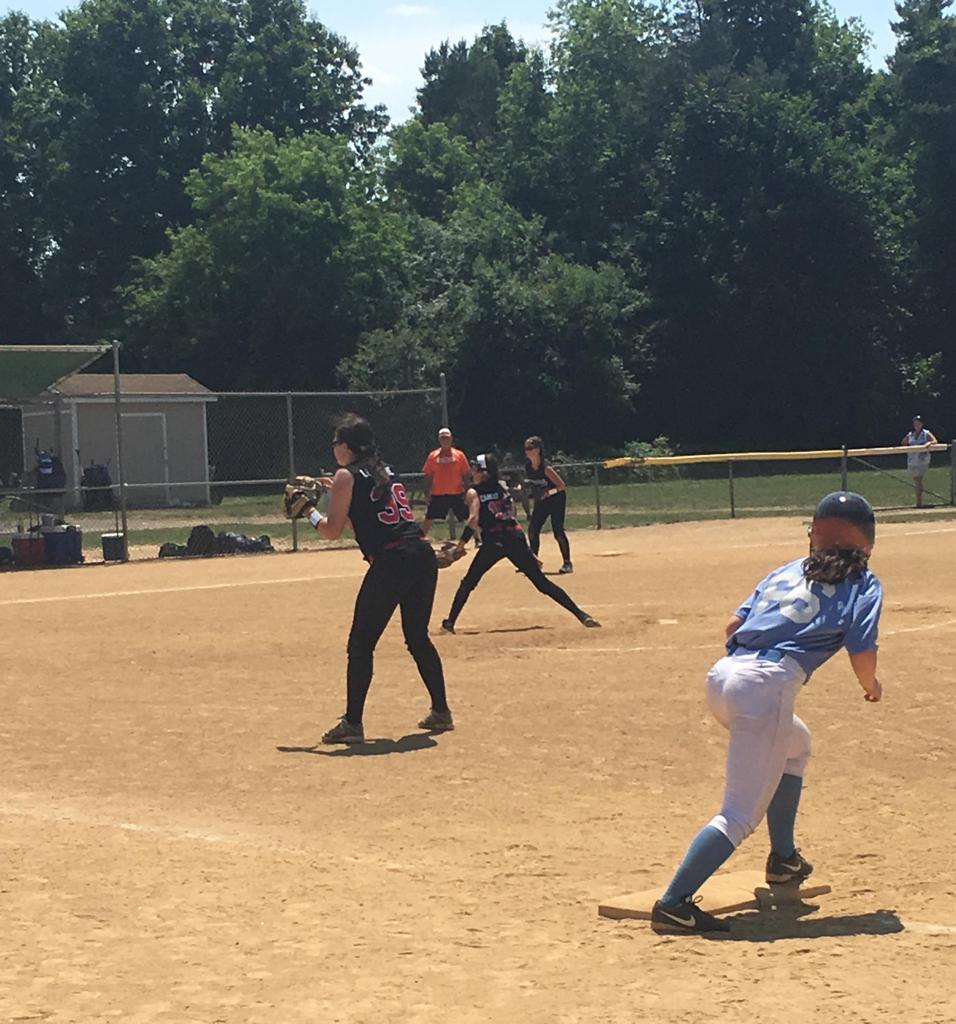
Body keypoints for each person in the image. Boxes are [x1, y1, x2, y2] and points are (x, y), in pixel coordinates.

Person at [649, 492, 883, 935]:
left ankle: (784, 861)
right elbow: (863, 650)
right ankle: (674, 903)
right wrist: (871, 687)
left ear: (815, 533)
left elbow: (733, 627)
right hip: (765, 686)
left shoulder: (787, 570)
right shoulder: (864, 582)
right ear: (867, 541)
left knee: (796, 745)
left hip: (723, 677)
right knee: (738, 814)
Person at [295, 414, 453, 743]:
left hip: (391, 561)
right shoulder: (385, 470)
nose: (333, 448)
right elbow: (362, 521)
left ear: (346, 446)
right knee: (417, 637)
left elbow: (332, 530)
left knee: (361, 644)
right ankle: (441, 712)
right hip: (420, 555)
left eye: (336, 443)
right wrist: (336, 492)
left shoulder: (345, 475)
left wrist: (308, 512)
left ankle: (353, 723)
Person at [440, 453, 600, 633]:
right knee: (542, 583)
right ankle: (582, 615)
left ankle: (449, 624)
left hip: (494, 541)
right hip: (515, 538)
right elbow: (512, 516)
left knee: (468, 583)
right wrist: (527, 552)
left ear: (484, 472)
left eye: (476, 469)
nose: (472, 472)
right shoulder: (502, 488)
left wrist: (460, 547)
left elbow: (473, 519)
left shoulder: (474, 492)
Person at [523, 436, 573, 573]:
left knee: (558, 531)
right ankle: (533, 562)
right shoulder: (528, 467)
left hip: (556, 499)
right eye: (526, 449)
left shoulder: (546, 468)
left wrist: (547, 493)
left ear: (538, 450)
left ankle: (567, 563)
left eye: (530, 448)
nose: (527, 451)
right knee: (533, 529)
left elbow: (561, 486)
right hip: (542, 501)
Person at [421, 428, 471, 536]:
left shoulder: (459, 455)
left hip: (457, 493)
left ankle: (478, 538)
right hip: (438, 494)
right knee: (429, 518)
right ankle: (419, 539)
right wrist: (426, 493)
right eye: (443, 438)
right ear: (439, 439)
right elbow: (428, 475)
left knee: (468, 516)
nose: (445, 441)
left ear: (451, 439)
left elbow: (466, 474)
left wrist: (468, 491)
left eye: (447, 438)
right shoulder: (433, 456)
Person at [901, 415, 938, 509]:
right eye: (915, 423)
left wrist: (928, 443)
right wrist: (907, 439)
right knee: (916, 480)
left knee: (918, 480)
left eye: (918, 423)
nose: (916, 425)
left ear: (922, 424)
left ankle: (919, 503)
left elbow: (934, 441)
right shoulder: (911, 434)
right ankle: (919, 502)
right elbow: (903, 443)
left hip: (922, 460)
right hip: (912, 460)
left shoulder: (926, 433)